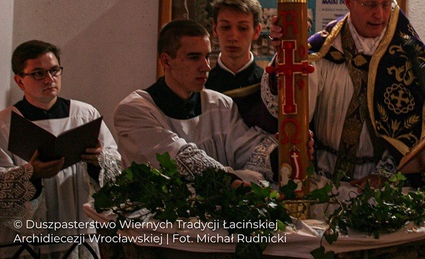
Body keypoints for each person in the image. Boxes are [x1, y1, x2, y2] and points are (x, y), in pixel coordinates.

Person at [262, 0, 425, 187]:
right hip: (323, 178)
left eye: (386, 4)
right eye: (370, 4)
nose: (379, 14)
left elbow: (420, 127)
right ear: (348, 1)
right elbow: (287, 108)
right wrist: (285, 54)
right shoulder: (322, 51)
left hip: (384, 184)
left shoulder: (407, 55)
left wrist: (384, 176)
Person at [114, 19, 277, 186]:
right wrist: (232, 182)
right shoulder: (134, 110)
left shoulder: (220, 104)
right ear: (166, 61)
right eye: (194, 57)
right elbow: (180, 160)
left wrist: (278, 157)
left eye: (207, 57)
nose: (206, 67)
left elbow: (247, 150)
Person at [0, 40, 121, 257]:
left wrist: (98, 161)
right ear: (19, 81)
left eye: (54, 70)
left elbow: (116, 165)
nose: (49, 79)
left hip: (78, 235)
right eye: (38, 73)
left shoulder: (85, 115)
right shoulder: (5, 123)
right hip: (26, 243)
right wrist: (31, 175)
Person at [205, 0, 277, 133]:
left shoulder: (268, 85)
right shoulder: (203, 86)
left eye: (243, 28)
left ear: (256, 31)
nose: (233, 37)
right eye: (225, 27)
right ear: (215, 29)